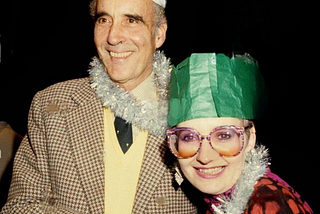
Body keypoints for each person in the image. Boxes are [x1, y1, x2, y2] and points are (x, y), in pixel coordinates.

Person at [0, 0, 201, 213]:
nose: (113, 37)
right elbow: (17, 207)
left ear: (159, 33)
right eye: (104, 19)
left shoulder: (195, 110)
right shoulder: (51, 107)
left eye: (131, 20)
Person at [166, 52, 314, 214]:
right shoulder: (220, 202)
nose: (205, 157)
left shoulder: (267, 204)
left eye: (223, 136)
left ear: (250, 138)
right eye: (189, 137)